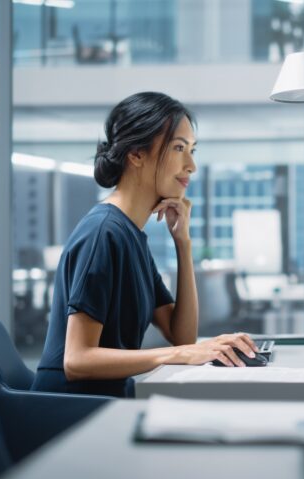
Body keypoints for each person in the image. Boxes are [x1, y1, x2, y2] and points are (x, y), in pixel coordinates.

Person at [33, 91, 258, 397]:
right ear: (136, 154)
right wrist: (176, 355)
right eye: (179, 148)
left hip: (108, 402)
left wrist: (183, 243)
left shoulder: (131, 236)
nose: (191, 165)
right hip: (70, 411)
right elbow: (76, 359)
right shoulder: (103, 234)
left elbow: (182, 336)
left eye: (192, 150)